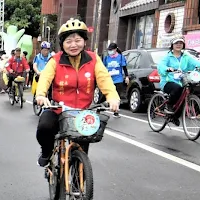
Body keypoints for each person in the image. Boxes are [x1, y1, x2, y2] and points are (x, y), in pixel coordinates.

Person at [35, 18, 120, 167]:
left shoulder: (93, 60)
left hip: (84, 112)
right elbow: (45, 78)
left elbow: (104, 79)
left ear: (84, 41)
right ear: (62, 44)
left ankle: (79, 178)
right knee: (44, 127)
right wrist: (41, 95)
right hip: (58, 110)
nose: (73, 45)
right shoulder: (55, 60)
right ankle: (47, 152)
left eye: (77, 40)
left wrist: (112, 97)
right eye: (68, 41)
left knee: (82, 148)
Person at [157, 36, 200, 123]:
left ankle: (174, 116)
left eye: (180, 43)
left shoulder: (186, 56)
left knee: (185, 94)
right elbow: (161, 66)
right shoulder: (168, 57)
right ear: (172, 45)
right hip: (168, 82)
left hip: (182, 81)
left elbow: (195, 62)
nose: (178, 45)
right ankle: (169, 103)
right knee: (177, 88)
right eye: (176, 43)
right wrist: (167, 68)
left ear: (183, 45)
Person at [102, 43, 129, 117]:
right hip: (109, 79)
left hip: (118, 79)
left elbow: (124, 68)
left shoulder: (120, 57)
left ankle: (116, 111)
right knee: (107, 94)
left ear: (115, 49)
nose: (110, 51)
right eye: (109, 50)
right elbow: (103, 68)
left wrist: (127, 76)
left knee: (117, 96)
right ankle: (104, 106)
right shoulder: (107, 58)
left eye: (111, 50)